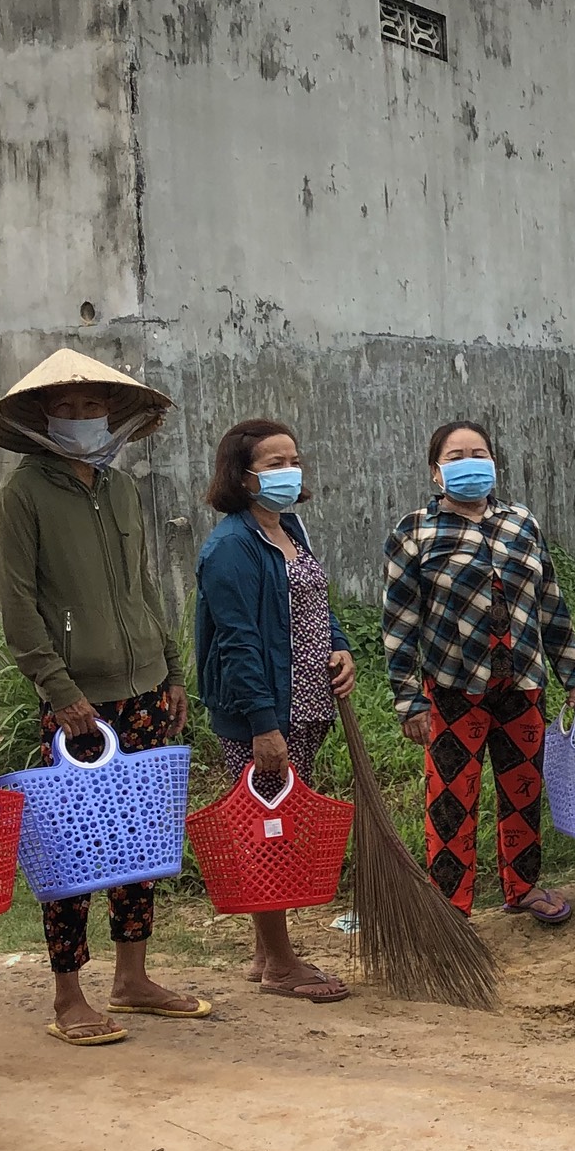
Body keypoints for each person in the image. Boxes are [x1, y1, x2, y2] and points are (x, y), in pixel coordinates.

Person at [0, 350, 207, 1043]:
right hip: (79, 700)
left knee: (140, 839)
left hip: (145, 689)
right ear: (42, 418)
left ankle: (133, 977)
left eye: (94, 408)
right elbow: (18, 607)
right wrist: (60, 690)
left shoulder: (121, 490)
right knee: (75, 847)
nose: (83, 419)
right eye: (69, 409)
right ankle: (67, 995)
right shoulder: (21, 495)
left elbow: (144, 588)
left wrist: (171, 669)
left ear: (114, 415)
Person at [383, 420, 575, 923]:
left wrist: (572, 672)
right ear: (436, 472)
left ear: (494, 463)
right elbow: (399, 622)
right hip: (455, 690)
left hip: (523, 685)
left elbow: (550, 603)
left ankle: (523, 888)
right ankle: (450, 907)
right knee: (452, 800)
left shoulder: (521, 523)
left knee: (523, 790)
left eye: (478, 453)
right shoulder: (414, 532)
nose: (468, 462)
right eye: (455, 456)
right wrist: (409, 700)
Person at [194, 418, 356, 1003]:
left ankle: (266, 952)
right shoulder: (231, 547)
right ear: (242, 476)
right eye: (273, 464)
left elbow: (316, 601)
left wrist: (340, 646)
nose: (290, 472)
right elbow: (237, 642)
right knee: (268, 831)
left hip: (309, 702)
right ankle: (283, 964)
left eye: (294, 460)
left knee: (281, 824)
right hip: (264, 713)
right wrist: (264, 725)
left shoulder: (289, 527)